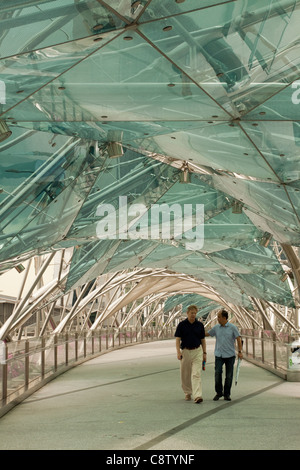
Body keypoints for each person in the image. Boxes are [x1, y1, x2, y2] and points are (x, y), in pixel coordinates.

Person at [206, 309, 243, 401]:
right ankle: (219, 392)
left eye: (219, 317)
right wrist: (196, 331)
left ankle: (227, 394)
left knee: (229, 375)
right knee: (217, 373)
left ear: (224, 318)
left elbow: (238, 339)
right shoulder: (216, 327)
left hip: (230, 355)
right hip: (219, 355)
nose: (217, 318)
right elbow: (207, 334)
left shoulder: (232, 327)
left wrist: (240, 351)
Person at [175, 305, 207, 403]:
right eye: (192, 313)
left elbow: (203, 340)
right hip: (185, 351)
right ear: (187, 313)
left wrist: (204, 353)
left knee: (196, 374)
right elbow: (177, 339)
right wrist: (178, 352)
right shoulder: (182, 325)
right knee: (185, 374)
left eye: (195, 313)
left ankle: (197, 395)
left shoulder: (200, 325)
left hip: (197, 351)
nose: (193, 315)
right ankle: (187, 392)